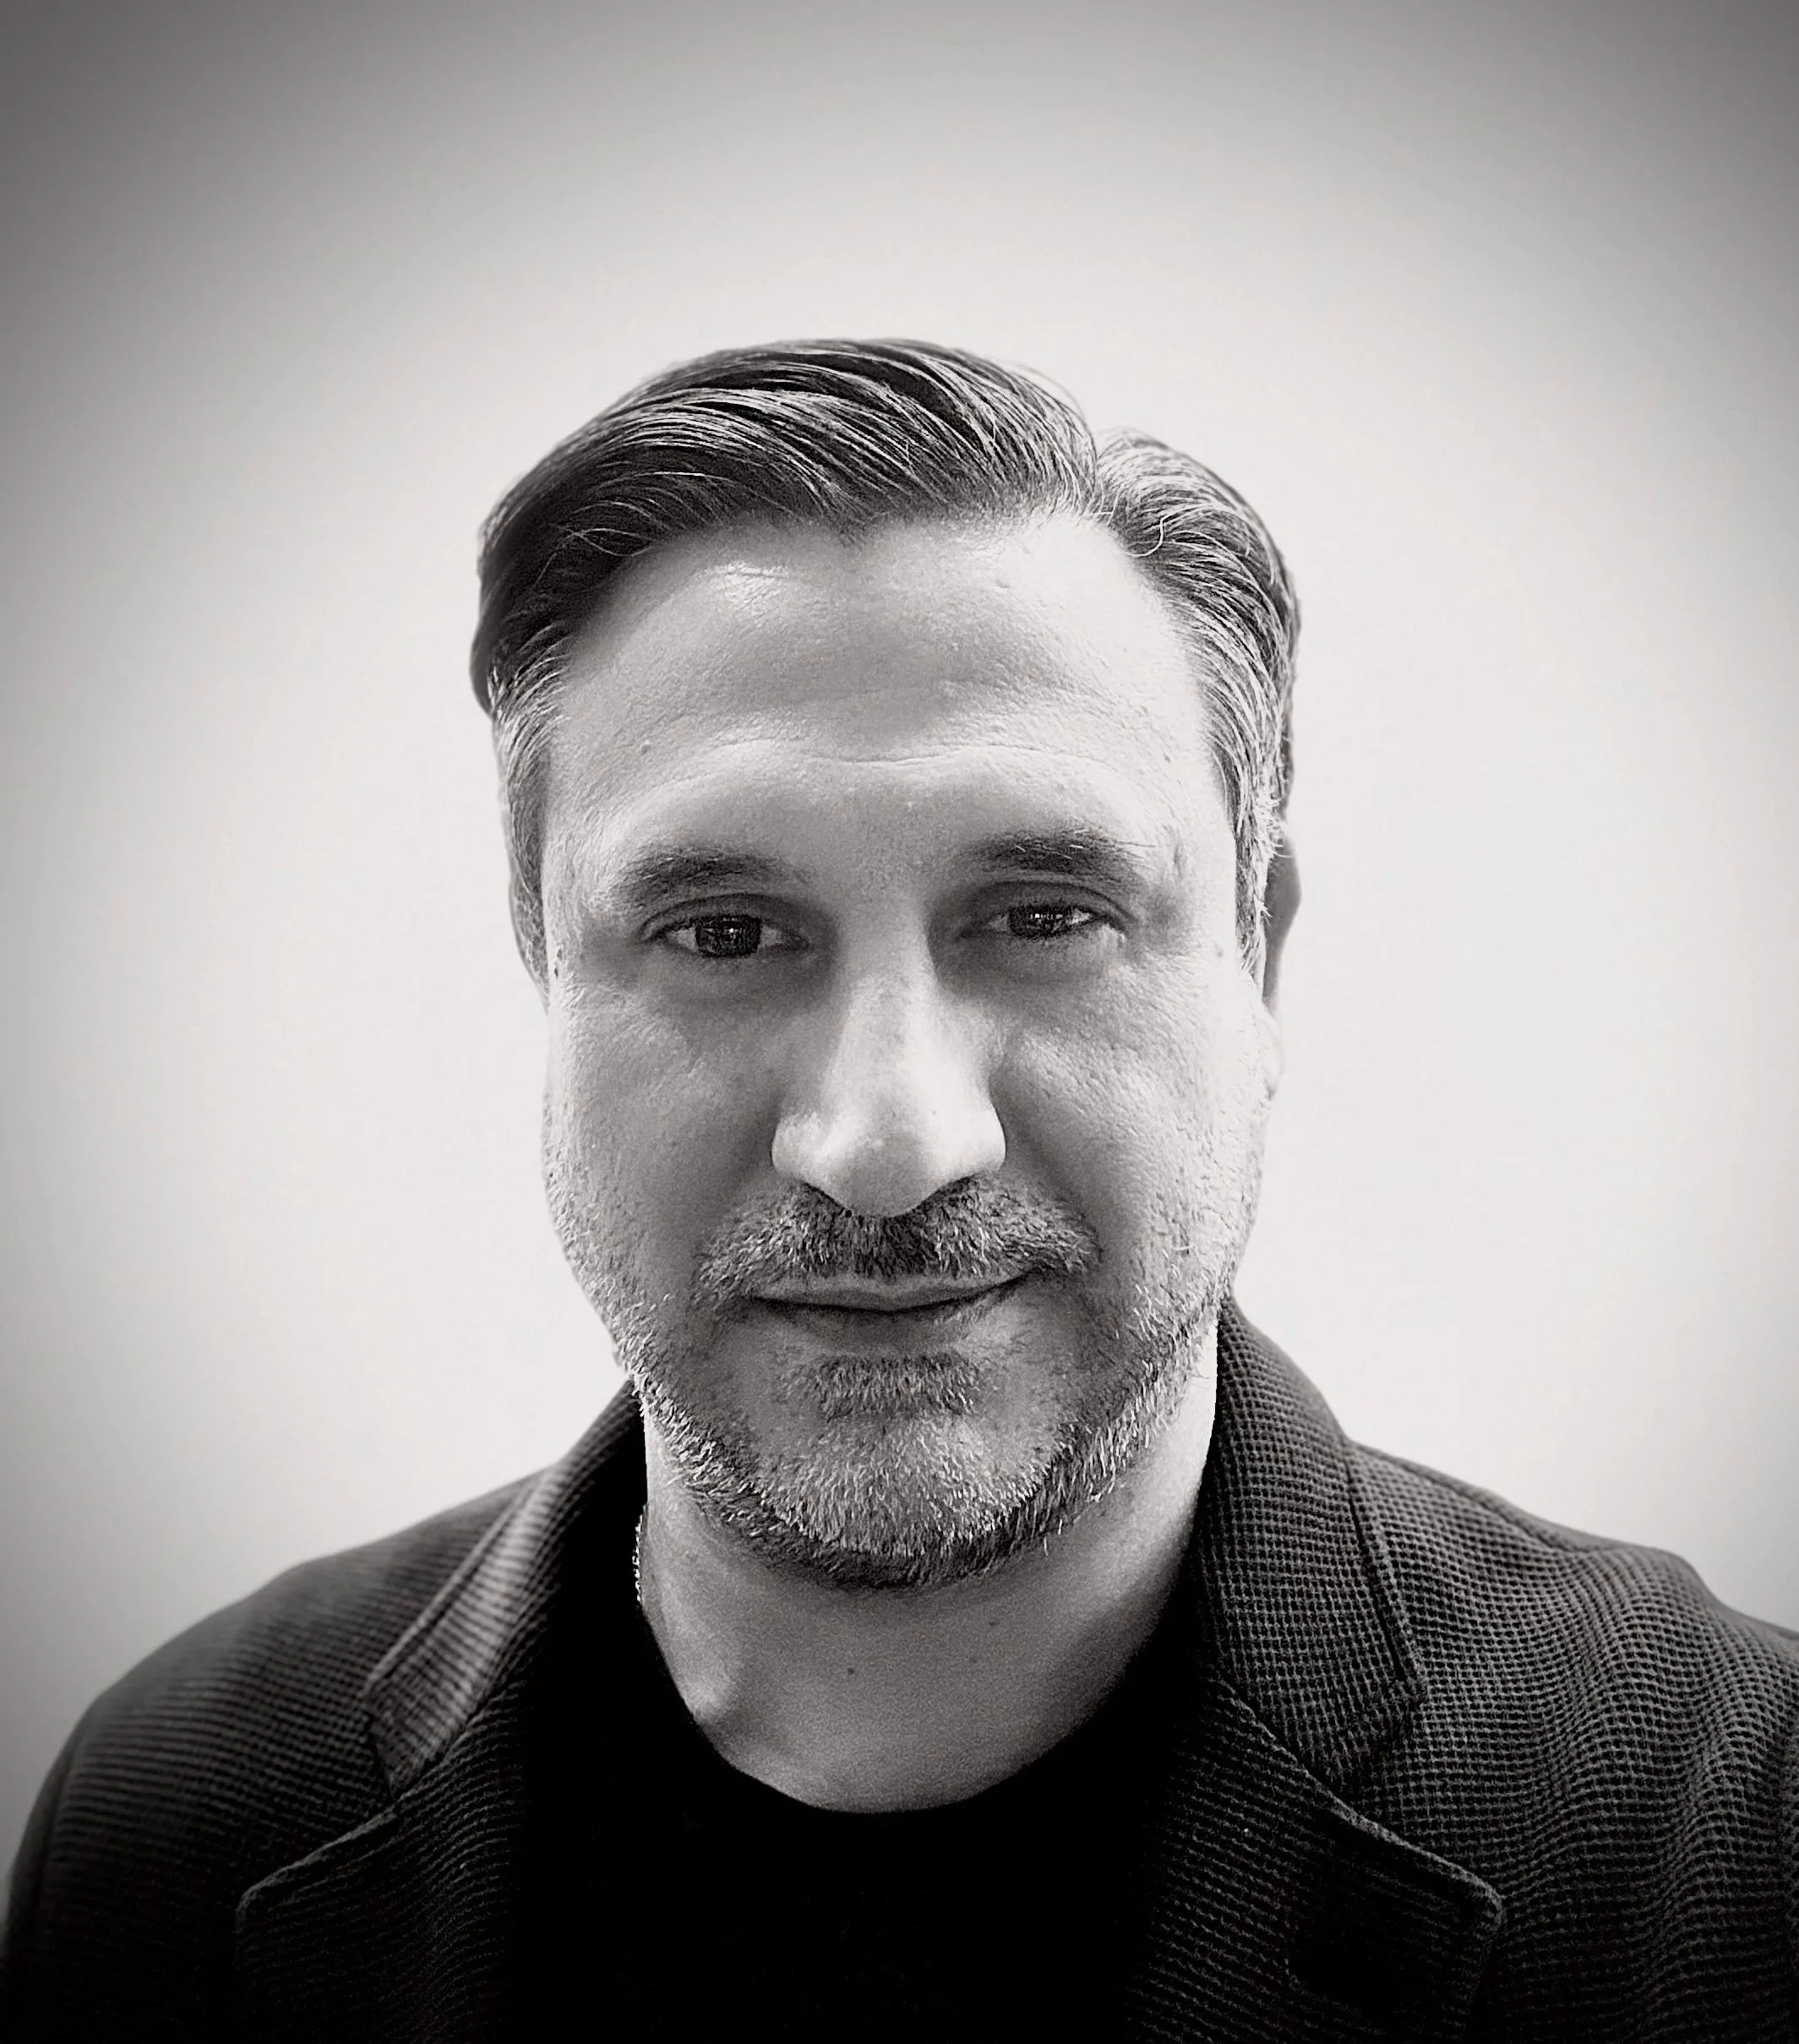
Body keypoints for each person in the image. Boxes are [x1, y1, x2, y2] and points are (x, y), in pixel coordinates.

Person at [3, 340, 1796, 2041]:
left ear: (1256, 954)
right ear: (543, 973)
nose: (886, 1138)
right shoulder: (174, 1825)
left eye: (1040, 920)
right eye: (723, 933)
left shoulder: (1731, 1836)